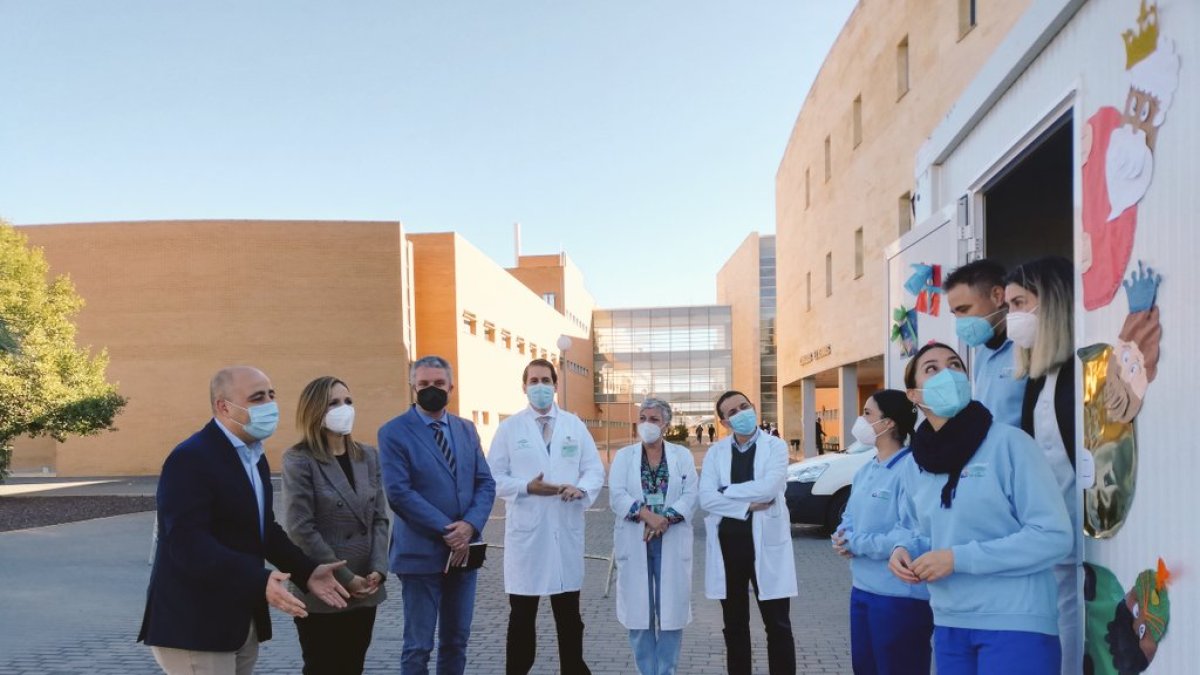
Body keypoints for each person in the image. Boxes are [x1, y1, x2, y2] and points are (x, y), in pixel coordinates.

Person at [138, 366, 351, 675]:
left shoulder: (253, 456)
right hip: (197, 625)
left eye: (271, 395)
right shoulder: (191, 458)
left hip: (238, 620)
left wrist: (307, 571)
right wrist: (258, 579)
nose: (269, 405)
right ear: (224, 406)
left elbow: (263, 530)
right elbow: (188, 544)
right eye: (257, 398)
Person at [887, 342, 1073, 674]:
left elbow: (1053, 537)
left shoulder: (1010, 444)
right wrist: (904, 549)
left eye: (955, 365)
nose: (948, 373)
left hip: (1017, 623)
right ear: (914, 395)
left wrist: (958, 559)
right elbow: (921, 531)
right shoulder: (917, 464)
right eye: (932, 368)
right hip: (950, 623)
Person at [378, 356, 496, 675]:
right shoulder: (393, 432)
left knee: (456, 641)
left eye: (439, 384)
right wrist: (450, 530)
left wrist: (469, 526)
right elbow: (399, 493)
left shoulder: (466, 429)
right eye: (425, 384)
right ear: (413, 387)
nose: (432, 389)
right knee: (418, 646)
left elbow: (484, 482)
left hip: (464, 555)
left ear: (451, 387)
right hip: (420, 553)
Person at [488, 358, 605, 675]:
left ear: (555, 385)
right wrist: (527, 487)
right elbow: (493, 477)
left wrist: (581, 489)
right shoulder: (510, 428)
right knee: (522, 617)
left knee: (569, 617)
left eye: (545, 380)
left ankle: (573, 670)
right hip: (528, 536)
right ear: (524, 386)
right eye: (533, 380)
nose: (540, 386)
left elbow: (593, 469)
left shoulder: (573, 425)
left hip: (564, 531)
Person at [281, 376, 390, 675]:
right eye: (334, 403)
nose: (344, 408)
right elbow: (301, 528)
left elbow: (380, 517)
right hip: (325, 585)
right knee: (323, 667)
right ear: (315, 410)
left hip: (365, 584)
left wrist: (378, 569)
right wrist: (345, 576)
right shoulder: (299, 460)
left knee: (353, 665)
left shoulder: (367, 455)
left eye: (348, 401)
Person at [1006, 256, 1082, 674]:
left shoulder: (1080, 372)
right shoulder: (1039, 377)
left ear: (1051, 302)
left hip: (1083, 541)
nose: (1014, 317)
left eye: (1020, 303)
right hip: (1051, 538)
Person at [831, 390, 932, 674]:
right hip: (862, 591)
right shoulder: (866, 470)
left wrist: (857, 543)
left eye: (867, 413)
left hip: (899, 598)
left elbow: (913, 533)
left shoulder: (912, 468)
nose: (860, 420)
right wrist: (842, 536)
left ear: (888, 423)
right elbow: (849, 517)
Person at [699, 390, 797, 675]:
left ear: (753, 407)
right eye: (732, 412)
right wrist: (745, 506)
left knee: (778, 625)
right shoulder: (716, 452)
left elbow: (769, 488)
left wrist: (725, 492)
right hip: (729, 547)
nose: (741, 414)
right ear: (724, 422)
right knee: (735, 626)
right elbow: (705, 498)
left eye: (744, 406)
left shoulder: (775, 447)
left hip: (766, 546)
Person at [609, 398, 698, 675]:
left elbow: (690, 495)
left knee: (671, 613)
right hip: (636, 537)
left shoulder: (682, 456)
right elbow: (617, 494)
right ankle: (647, 671)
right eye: (643, 418)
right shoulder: (624, 457)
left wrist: (665, 520)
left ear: (666, 426)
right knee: (639, 612)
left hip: (670, 538)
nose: (647, 424)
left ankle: (666, 671)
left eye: (654, 419)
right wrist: (648, 516)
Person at [944, 258, 1027, 427]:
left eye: (964, 310)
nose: (960, 321)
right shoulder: (982, 356)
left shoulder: (1027, 345)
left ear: (997, 296)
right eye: (955, 314)